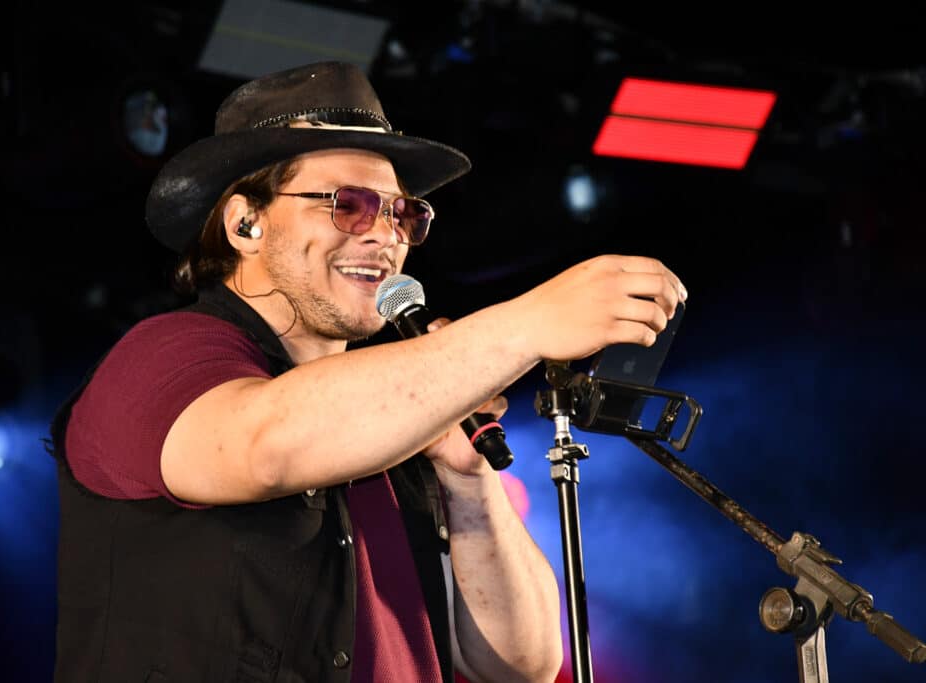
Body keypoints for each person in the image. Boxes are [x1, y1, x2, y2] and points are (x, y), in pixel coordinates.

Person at [47, 60, 686, 682]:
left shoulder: (396, 419)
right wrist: (524, 325)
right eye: (349, 205)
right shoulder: (162, 355)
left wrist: (467, 479)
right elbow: (265, 445)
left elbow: (523, 663)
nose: (385, 236)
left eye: (403, 214)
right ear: (245, 223)